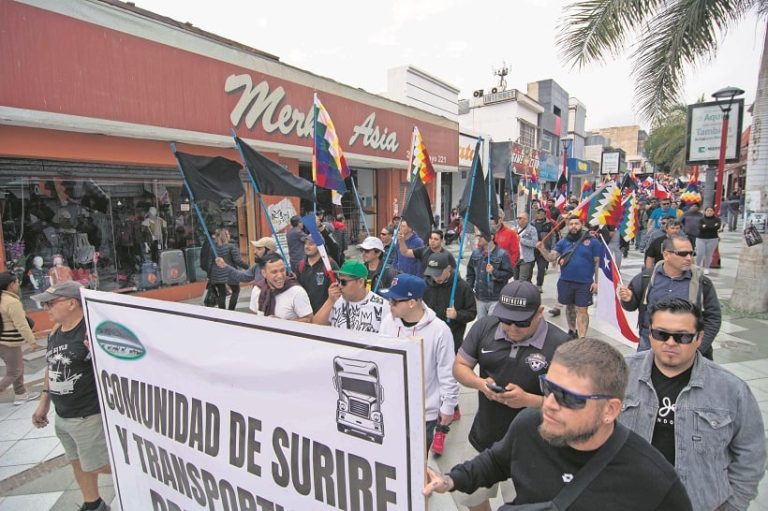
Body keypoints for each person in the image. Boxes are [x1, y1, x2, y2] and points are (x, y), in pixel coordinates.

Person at [424, 338, 692, 510]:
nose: (550, 403)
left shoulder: (653, 479)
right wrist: (449, 481)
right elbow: (494, 462)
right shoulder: (530, 424)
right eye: (548, 388)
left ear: (610, 410)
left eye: (569, 398)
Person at [620, 297, 765, 511]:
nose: (670, 343)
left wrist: (733, 505)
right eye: (661, 334)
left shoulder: (731, 389)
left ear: (699, 338)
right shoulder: (621, 375)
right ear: (650, 334)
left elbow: (751, 455)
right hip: (630, 500)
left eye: (682, 337)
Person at [451, 281, 570, 511]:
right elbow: (460, 366)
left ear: (539, 314)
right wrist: (480, 383)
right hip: (483, 437)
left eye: (522, 322)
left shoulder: (561, 345)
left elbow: (571, 405)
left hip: (533, 449)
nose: (512, 328)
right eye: (506, 320)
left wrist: (529, 401)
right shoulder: (485, 327)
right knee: (472, 497)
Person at [31, 281, 112, 511]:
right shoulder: (56, 332)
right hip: (63, 415)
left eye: (51, 303)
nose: (47, 308)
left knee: (101, 465)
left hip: (88, 415)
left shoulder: (92, 330)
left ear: (71, 303)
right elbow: (52, 366)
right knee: (77, 461)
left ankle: (149, 473)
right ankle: (93, 503)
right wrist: (43, 402)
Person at [378, 274, 459, 455]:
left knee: (417, 464)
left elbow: (447, 372)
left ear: (412, 302)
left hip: (425, 415)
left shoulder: (440, 330)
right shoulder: (387, 324)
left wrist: (448, 406)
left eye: (394, 301)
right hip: (392, 408)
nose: (390, 305)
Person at [619, 234, 720, 358]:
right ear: (666, 255)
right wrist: (628, 300)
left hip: (686, 346)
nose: (689, 258)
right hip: (649, 344)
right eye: (682, 254)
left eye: (691, 253)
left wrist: (699, 347)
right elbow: (631, 306)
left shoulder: (702, 283)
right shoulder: (646, 278)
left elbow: (713, 317)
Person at [536, 216, 601, 339]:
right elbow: (551, 257)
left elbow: (598, 262)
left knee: (582, 310)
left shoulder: (592, 242)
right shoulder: (563, 242)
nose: (573, 226)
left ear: (581, 224)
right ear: (567, 225)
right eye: (571, 224)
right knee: (569, 308)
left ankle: (582, 337)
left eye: (576, 223)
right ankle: (572, 331)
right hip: (566, 281)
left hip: (585, 283)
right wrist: (542, 249)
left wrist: (597, 282)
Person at [422, 252, 477, 354]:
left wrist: (457, 315)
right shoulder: (425, 284)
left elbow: (472, 313)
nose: (435, 277)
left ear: (448, 268)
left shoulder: (462, 287)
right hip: (429, 338)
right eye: (432, 273)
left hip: (452, 341)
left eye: (438, 273)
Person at [313, 260, 389, 332]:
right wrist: (330, 301)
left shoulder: (383, 306)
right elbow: (315, 327)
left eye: (343, 282)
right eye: (338, 281)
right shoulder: (335, 300)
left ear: (360, 282)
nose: (339, 285)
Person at [0, 272, 40, 404]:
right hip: (8, 342)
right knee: (14, 371)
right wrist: (32, 341)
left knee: (17, 367)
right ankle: (20, 393)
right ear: (11, 285)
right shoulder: (11, 302)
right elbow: (21, 324)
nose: (19, 284)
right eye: (17, 282)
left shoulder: (2, 299)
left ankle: (20, 393)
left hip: (4, 341)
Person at [249, 253, 312, 322]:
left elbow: (309, 319)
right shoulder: (257, 290)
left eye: (282, 270)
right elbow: (254, 317)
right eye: (274, 272)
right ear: (264, 273)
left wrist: (283, 324)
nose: (280, 276)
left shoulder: (297, 291)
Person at [466, 233, 514, 319]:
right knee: (482, 326)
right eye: (478, 236)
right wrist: (469, 290)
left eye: (481, 236)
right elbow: (470, 273)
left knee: (492, 325)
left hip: (495, 298)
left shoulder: (502, 254)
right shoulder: (475, 253)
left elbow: (509, 273)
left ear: (491, 237)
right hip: (479, 298)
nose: (479, 238)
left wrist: (494, 272)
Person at [204, 228, 249, 310]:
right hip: (229, 272)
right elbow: (237, 260)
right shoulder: (231, 247)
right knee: (236, 291)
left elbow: (209, 263)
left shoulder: (213, 248)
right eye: (228, 234)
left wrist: (209, 276)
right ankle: (231, 310)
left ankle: (223, 312)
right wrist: (248, 267)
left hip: (216, 274)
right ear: (226, 236)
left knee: (221, 294)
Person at [295, 234, 339, 313]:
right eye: (305, 243)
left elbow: (337, 290)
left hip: (325, 314)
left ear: (320, 246)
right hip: (306, 313)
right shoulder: (300, 265)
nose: (306, 246)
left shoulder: (330, 265)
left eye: (311, 244)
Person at [532, 207, 554, 293]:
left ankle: (539, 285)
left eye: (542, 213)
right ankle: (527, 285)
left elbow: (553, 236)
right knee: (529, 268)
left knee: (541, 268)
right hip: (532, 249)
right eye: (538, 213)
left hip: (543, 250)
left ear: (545, 215)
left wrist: (552, 248)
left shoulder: (549, 224)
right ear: (536, 214)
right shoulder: (531, 224)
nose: (540, 215)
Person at [696, 206, 722, 274]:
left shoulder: (717, 219)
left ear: (713, 212)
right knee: (700, 252)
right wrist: (711, 227)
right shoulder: (701, 220)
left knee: (709, 254)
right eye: (708, 211)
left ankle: (706, 268)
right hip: (701, 238)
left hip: (713, 238)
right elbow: (701, 228)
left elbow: (717, 227)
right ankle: (697, 265)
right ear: (705, 212)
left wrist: (706, 227)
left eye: (711, 211)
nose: (709, 212)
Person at [514, 212, 538, 282]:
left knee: (522, 281)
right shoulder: (514, 229)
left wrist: (520, 239)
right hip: (515, 258)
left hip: (525, 259)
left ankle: (523, 292)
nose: (518, 219)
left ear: (526, 220)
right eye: (517, 218)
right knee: (516, 279)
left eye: (520, 218)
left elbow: (534, 243)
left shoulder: (532, 229)